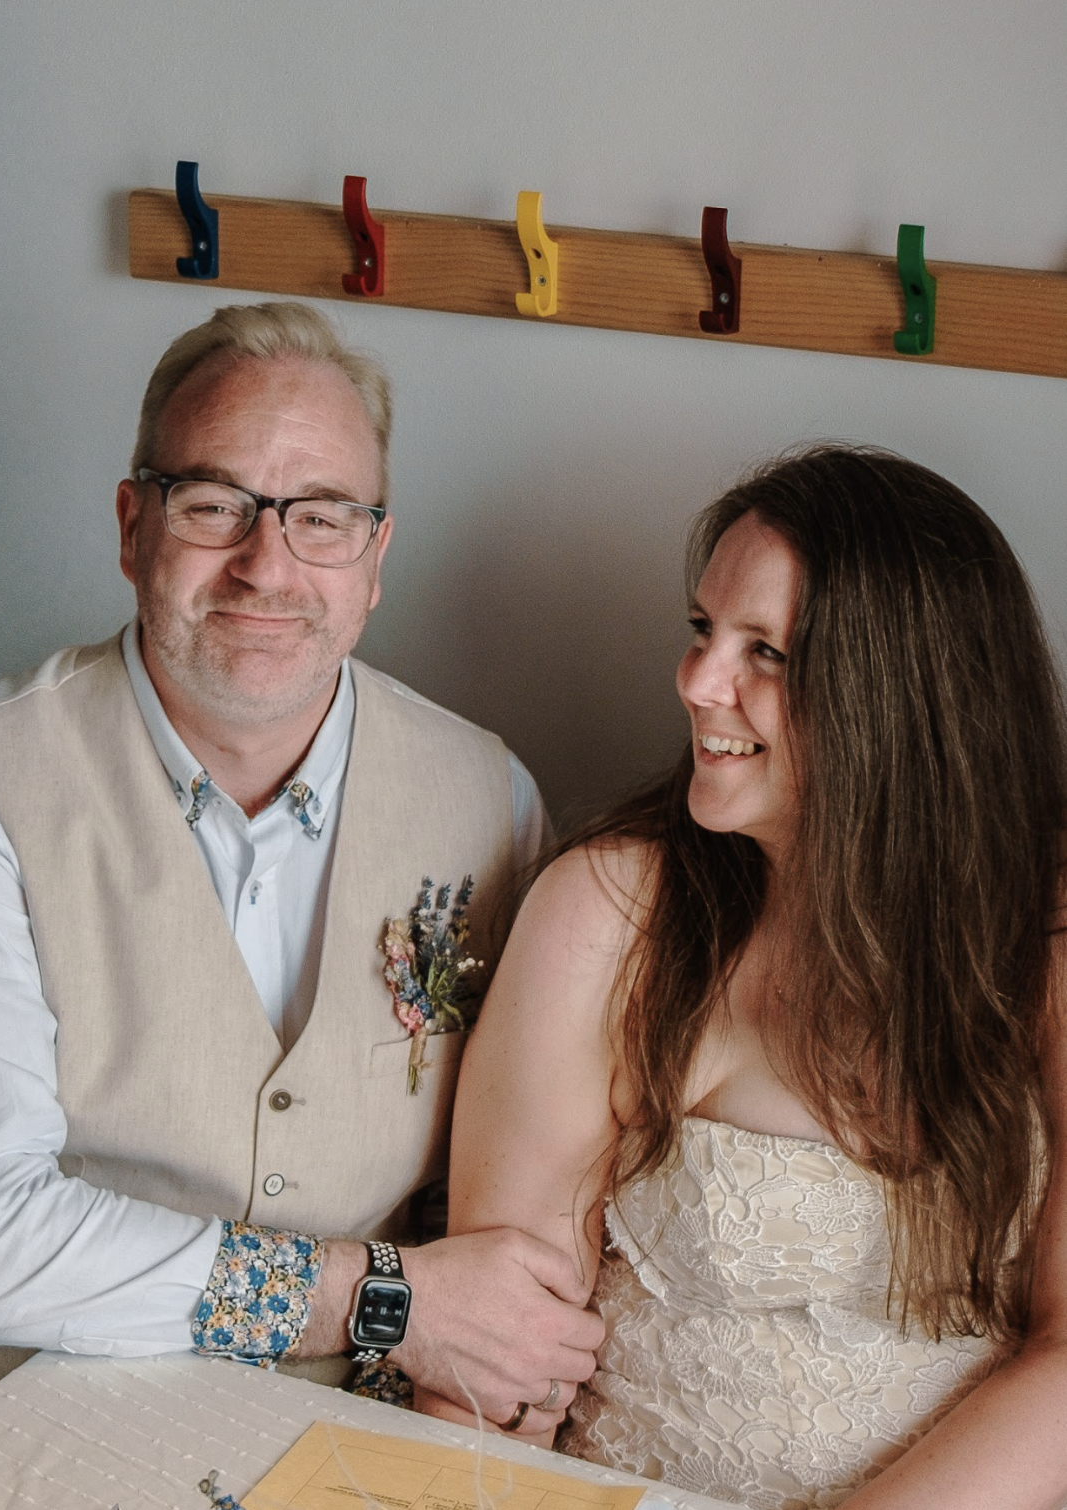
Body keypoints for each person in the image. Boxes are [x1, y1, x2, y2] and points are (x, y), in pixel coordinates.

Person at [0, 299, 602, 1422]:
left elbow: (516, 1199)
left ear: (375, 556)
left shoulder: (491, 796)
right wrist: (380, 1301)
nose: (265, 567)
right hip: (54, 1424)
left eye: (320, 518)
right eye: (215, 504)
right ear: (133, 527)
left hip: (380, 1438)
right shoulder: (2, 780)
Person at [429, 446, 1067, 1508]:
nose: (694, 681)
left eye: (761, 649)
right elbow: (492, 1363)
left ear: (895, 692)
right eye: (700, 630)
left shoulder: (1044, 937)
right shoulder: (610, 916)